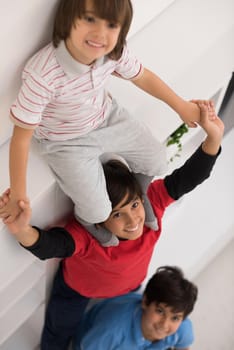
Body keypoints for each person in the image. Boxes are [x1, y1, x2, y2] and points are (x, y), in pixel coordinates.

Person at [0, 103, 224, 350]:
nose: (133, 220)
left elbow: (189, 177)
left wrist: (213, 136)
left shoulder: (153, 204)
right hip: (77, 290)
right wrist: (21, 229)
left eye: (135, 205)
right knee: (57, 333)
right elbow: (51, 245)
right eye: (117, 214)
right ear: (100, 219)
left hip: (127, 288)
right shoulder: (89, 236)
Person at [0, 0, 216, 247]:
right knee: (97, 211)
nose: (100, 34)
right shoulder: (43, 75)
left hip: (107, 117)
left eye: (112, 25)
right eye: (90, 19)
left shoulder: (112, 52)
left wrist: (181, 106)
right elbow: (20, 138)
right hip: (65, 142)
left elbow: (142, 76)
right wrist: (18, 191)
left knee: (156, 158)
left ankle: (139, 193)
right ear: (67, 19)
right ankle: (90, 222)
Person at [73, 265, 198, 350]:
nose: (164, 325)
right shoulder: (112, 330)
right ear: (145, 302)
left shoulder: (182, 329)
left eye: (175, 318)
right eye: (160, 311)